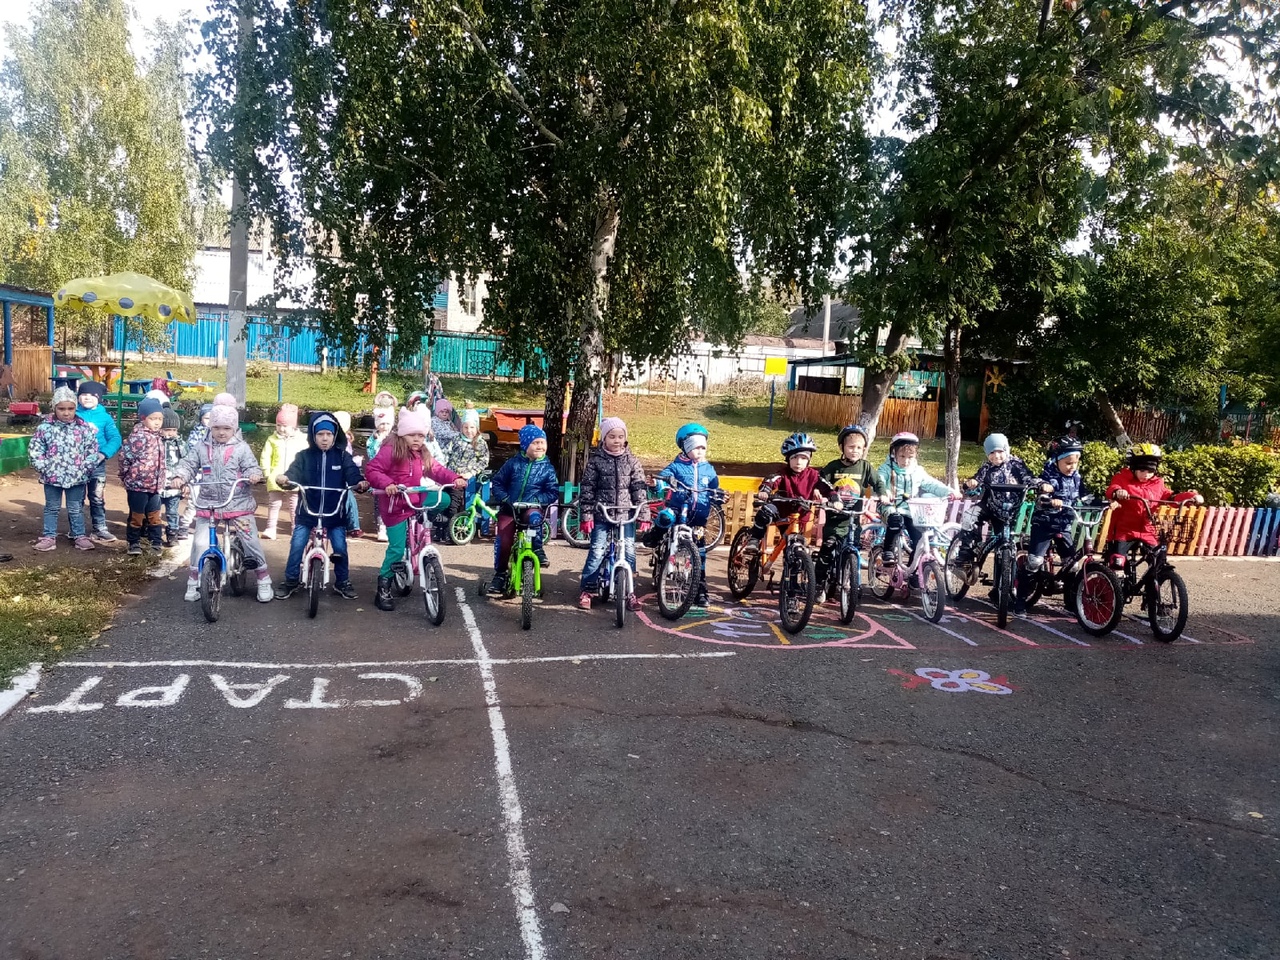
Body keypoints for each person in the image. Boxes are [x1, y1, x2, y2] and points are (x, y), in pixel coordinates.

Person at [365, 407, 466, 611]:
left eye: (421, 435)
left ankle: (422, 520)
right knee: (396, 548)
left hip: (414, 499)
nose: (417, 439)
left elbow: (436, 469)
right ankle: (383, 587)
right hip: (395, 505)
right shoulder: (391, 449)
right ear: (402, 434)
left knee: (444, 499)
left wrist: (454, 478)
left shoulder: (422, 453)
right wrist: (387, 484)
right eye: (412, 435)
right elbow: (372, 469)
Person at [171, 404, 274, 603]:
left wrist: (253, 475)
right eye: (216, 427)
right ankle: (194, 580)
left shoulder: (241, 448)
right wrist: (179, 476)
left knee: (250, 540)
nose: (221, 432)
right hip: (208, 503)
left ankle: (263, 579)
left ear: (234, 428)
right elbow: (188, 464)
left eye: (227, 428)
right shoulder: (201, 447)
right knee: (200, 542)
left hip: (238, 503)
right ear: (210, 427)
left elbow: (251, 467)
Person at [273, 412, 369, 601]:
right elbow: (293, 474)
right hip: (307, 513)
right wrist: (285, 479)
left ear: (335, 436)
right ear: (313, 436)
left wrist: (359, 483)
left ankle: (342, 582)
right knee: (297, 544)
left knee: (340, 547)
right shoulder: (304, 456)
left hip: (335, 514)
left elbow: (352, 474)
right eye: (320, 434)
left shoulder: (342, 457)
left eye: (329, 434)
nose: (324, 438)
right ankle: (291, 581)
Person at [576, 417, 651, 611]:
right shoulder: (596, 461)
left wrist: (643, 514)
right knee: (597, 551)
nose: (617, 441)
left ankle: (629, 591)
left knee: (629, 551)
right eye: (612, 437)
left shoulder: (632, 461)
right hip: (602, 513)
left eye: (620, 436)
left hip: (626, 515)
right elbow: (587, 489)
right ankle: (588, 589)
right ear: (604, 439)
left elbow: (639, 489)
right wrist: (587, 515)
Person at [1014, 435, 1093, 614]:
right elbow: (1041, 493)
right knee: (1034, 561)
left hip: (1064, 525)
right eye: (1068, 463)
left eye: (1076, 462)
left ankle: (1070, 602)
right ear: (1057, 460)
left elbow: (1085, 496)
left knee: (1071, 564)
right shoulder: (1049, 476)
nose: (1072, 467)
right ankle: (1020, 600)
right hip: (1045, 523)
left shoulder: (1076, 477)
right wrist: (1049, 498)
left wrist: (1102, 502)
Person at [651, 422, 721, 607]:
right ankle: (655, 535)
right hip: (678, 508)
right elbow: (664, 476)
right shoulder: (677, 466)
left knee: (700, 554)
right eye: (696, 447)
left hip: (698, 515)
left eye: (703, 447)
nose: (700, 451)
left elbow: (715, 487)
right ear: (686, 448)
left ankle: (700, 591)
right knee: (666, 517)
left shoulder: (708, 469)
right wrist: (659, 483)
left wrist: (719, 495)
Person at [816, 424, 887, 600]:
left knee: (853, 550)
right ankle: (819, 584)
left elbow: (878, 482)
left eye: (859, 448)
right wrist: (822, 493)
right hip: (835, 519)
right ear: (842, 447)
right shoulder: (834, 466)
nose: (855, 451)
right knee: (827, 549)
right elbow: (821, 481)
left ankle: (852, 582)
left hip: (853, 519)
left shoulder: (865, 467)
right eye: (851, 447)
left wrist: (883, 494)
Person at [486, 424, 560, 596]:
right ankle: (500, 574)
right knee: (504, 540)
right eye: (535, 443)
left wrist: (537, 500)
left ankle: (538, 550)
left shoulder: (547, 468)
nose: (540, 446)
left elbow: (552, 492)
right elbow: (497, 483)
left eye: (542, 442)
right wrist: (505, 499)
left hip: (531, 508)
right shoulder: (513, 464)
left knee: (535, 520)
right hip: (510, 509)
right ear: (525, 446)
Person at [1105, 443, 1203, 566]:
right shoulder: (1122, 478)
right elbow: (1112, 489)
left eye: (1150, 471)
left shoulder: (1157, 483)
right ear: (1133, 468)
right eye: (1142, 470)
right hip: (1124, 530)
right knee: (1117, 562)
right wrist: (1118, 492)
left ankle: (1156, 577)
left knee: (1158, 562)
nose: (1146, 474)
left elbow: (1171, 497)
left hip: (1147, 530)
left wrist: (1191, 497)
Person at [28, 386, 100, 552]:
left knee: (75, 508)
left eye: (70, 409)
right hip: (52, 477)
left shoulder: (84, 429)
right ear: (54, 408)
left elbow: (92, 450)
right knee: (51, 508)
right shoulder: (45, 428)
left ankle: (79, 536)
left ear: (75, 408)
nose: (66, 413)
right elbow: (35, 450)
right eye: (61, 409)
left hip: (77, 477)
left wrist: (85, 468)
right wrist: (44, 467)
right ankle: (49, 537)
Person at [952, 433, 1037, 565]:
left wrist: (1040, 485)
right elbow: (977, 481)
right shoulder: (987, 468)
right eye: (992, 452)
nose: (996, 456)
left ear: (1006, 450)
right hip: (989, 505)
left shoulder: (1016, 464)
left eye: (1000, 451)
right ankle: (966, 553)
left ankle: (1004, 573)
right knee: (969, 516)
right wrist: (972, 483)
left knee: (1003, 544)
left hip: (1009, 510)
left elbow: (1029, 478)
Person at [743, 433, 835, 551]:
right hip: (780, 511)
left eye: (803, 458)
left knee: (794, 547)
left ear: (809, 460)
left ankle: (792, 561)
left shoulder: (813, 475)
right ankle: (754, 539)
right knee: (766, 511)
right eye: (794, 458)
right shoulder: (783, 473)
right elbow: (771, 480)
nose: (798, 462)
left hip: (799, 515)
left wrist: (834, 498)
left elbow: (827, 487)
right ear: (788, 459)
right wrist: (765, 490)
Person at [876, 431, 956, 560]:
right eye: (902, 456)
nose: (906, 461)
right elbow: (878, 481)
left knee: (919, 540)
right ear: (893, 453)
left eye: (910, 457)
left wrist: (949, 491)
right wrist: (884, 493)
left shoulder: (917, 471)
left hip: (910, 510)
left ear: (916, 456)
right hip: (889, 506)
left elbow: (932, 484)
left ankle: (913, 568)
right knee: (895, 519)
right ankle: (888, 551)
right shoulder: (886, 469)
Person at [118, 397, 169, 555]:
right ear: (143, 418)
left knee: (155, 516)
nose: (157, 422)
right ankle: (133, 543)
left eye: (160, 419)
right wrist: (125, 476)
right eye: (153, 419)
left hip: (155, 486)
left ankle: (156, 543)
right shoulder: (137, 437)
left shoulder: (159, 437)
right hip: (137, 485)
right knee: (137, 515)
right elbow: (124, 458)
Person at [75, 380, 121, 542]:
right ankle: (77, 530)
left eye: (92, 395)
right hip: (76, 465)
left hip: (97, 465)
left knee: (97, 497)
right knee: (77, 498)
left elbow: (115, 438)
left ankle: (100, 528)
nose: (87, 398)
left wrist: (103, 453)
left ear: (99, 398)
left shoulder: (105, 418)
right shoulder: (73, 415)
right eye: (83, 394)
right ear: (78, 397)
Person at [259, 403, 309, 540]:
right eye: (278, 425)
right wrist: (267, 473)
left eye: (285, 426)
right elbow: (265, 456)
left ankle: (295, 528)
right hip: (275, 477)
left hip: (295, 478)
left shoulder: (303, 440)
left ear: (293, 426)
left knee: (294, 505)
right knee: (274, 504)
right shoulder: (272, 439)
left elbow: (307, 458)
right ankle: (271, 528)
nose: (281, 429)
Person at [445, 407, 491, 526]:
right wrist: (443, 469)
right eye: (466, 427)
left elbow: (484, 461)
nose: (468, 431)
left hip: (464, 478)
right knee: (444, 499)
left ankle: (453, 527)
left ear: (477, 428)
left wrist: (471, 472)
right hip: (450, 475)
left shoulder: (480, 442)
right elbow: (446, 453)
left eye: (472, 427)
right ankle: (444, 525)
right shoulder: (456, 439)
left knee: (454, 504)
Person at [160, 408, 190, 545]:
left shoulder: (181, 445)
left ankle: (172, 533)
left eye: (174, 430)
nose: (171, 433)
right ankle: (152, 532)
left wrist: (185, 482)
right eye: (167, 429)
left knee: (172, 512)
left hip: (174, 487)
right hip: (156, 486)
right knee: (153, 511)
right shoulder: (155, 442)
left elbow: (187, 464)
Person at [366, 405, 396, 541]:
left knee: (394, 502)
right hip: (379, 475)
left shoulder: (395, 438)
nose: (384, 427)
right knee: (380, 502)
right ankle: (381, 527)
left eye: (387, 424)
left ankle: (392, 526)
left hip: (393, 475)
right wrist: (379, 442)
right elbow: (372, 456)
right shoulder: (373, 439)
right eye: (382, 424)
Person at [334, 410, 364, 537]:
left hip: (343, 475)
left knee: (348, 498)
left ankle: (353, 526)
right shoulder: (331, 438)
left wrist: (354, 462)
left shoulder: (344, 440)